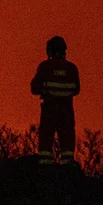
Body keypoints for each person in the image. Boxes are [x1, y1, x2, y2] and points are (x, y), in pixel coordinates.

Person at [30, 35, 80, 165]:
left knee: (46, 141)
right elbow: (77, 89)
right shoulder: (72, 68)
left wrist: (47, 90)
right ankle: (67, 168)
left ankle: (46, 167)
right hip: (67, 110)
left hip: (49, 110)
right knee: (67, 142)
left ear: (49, 51)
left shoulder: (45, 67)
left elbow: (34, 88)